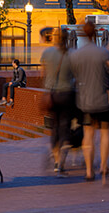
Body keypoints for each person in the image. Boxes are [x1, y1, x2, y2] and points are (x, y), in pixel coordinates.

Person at [70, 20, 109, 184]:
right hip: (102, 99)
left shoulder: (76, 55)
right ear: (96, 34)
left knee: (88, 134)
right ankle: (104, 167)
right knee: (105, 132)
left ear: (83, 34)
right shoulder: (103, 53)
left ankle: (88, 171)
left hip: (84, 100)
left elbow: (74, 77)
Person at [40, 27, 75, 175]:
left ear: (54, 38)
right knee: (65, 126)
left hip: (52, 94)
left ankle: (55, 160)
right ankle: (62, 158)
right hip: (67, 94)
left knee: (54, 128)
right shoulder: (73, 54)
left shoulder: (47, 53)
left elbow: (43, 74)